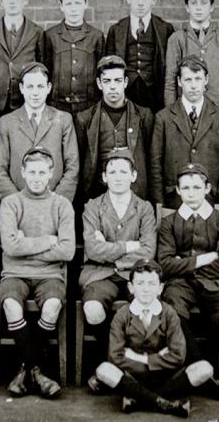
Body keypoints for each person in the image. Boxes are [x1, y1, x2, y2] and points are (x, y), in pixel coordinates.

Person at [94, 259, 219, 417]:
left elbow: (178, 356)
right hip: (134, 377)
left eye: (151, 284)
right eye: (140, 283)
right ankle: (165, 403)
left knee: (204, 369)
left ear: (160, 288)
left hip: (166, 376)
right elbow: (115, 356)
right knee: (104, 370)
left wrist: (141, 359)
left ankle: (140, 400)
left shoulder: (169, 313)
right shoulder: (122, 315)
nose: (146, 289)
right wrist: (158, 358)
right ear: (130, 287)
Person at [0, 147, 75, 399]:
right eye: (31, 172)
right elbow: (10, 247)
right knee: (10, 304)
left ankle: (25, 370)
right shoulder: (11, 203)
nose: (37, 177)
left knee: (52, 305)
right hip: (14, 273)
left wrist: (26, 246)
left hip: (50, 274)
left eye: (42, 172)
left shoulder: (62, 204)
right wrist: (48, 240)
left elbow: (67, 251)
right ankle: (37, 373)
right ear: (22, 173)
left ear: (52, 173)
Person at [157, 163, 219, 399]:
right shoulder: (169, 223)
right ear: (178, 191)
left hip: (216, 283)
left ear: (207, 188)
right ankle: (206, 378)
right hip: (180, 285)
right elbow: (165, 264)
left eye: (197, 187)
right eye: (186, 188)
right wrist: (204, 259)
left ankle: (198, 369)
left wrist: (185, 262)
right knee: (172, 312)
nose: (191, 193)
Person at [80, 148, 156, 388]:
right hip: (98, 274)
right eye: (112, 172)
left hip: (135, 275)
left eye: (124, 171)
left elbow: (148, 251)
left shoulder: (144, 208)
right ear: (104, 177)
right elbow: (92, 250)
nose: (118, 177)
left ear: (134, 176)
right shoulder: (93, 207)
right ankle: (119, 365)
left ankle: (114, 369)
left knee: (145, 310)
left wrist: (111, 250)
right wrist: (128, 246)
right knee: (93, 309)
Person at [151, 56, 219, 208]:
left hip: (211, 203)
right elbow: (155, 167)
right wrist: (160, 206)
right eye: (188, 80)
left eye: (198, 79)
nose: (194, 85)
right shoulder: (163, 118)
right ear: (179, 82)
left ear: (206, 80)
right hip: (174, 203)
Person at [0, 62, 79, 200]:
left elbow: (72, 166)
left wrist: (58, 202)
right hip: (18, 205)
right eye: (30, 87)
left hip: (54, 204)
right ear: (21, 88)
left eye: (40, 86)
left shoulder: (63, 120)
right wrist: (16, 202)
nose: (35, 93)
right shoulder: (7, 122)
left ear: (49, 88)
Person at [75, 55, 154, 201]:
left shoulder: (143, 116)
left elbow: (151, 160)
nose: (112, 86)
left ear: (125, 82)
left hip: (134, 195)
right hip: (97, 195)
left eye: (117, 80)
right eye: (107, 81)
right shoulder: (84, 118)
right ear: (99, 83)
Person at [163, 0, 219, 131]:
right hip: (185, 109)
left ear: (211, 7)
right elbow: (170, 81)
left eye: (204, 3)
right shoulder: (177, 39)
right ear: (187, 7)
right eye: (194, 3)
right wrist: (171, 113)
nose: (199, 7)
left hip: (217, 107)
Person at [105, 0, 175, 113]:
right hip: (126, 94)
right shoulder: (116, 30)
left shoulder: (165, 29)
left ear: (154, 0)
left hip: (155, 95)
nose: (141, 3)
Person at [44, 0, 105, 115]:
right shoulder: (50, 36)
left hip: (88, 107)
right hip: (57, 107)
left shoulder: (96, 36)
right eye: (68, 3)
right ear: (61, 6)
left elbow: (101, 73)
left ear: (86, 4)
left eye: (77, 3)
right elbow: (46, 72)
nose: (73, 8)